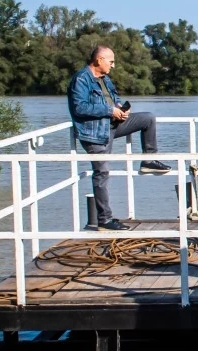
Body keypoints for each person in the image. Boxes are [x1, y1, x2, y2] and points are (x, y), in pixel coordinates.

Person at [68, 45, 171, 232]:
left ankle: (148, 160)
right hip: (95, 133)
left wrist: (121, 109)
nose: (113, 65)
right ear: (99, 60)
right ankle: (104, 220)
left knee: (148, 118)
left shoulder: (104, 79)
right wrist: (110, 111)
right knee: (102, 173)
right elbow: (79, 108)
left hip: (112, 125)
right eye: (111, 61)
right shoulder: (81, 79)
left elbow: (113, 99)